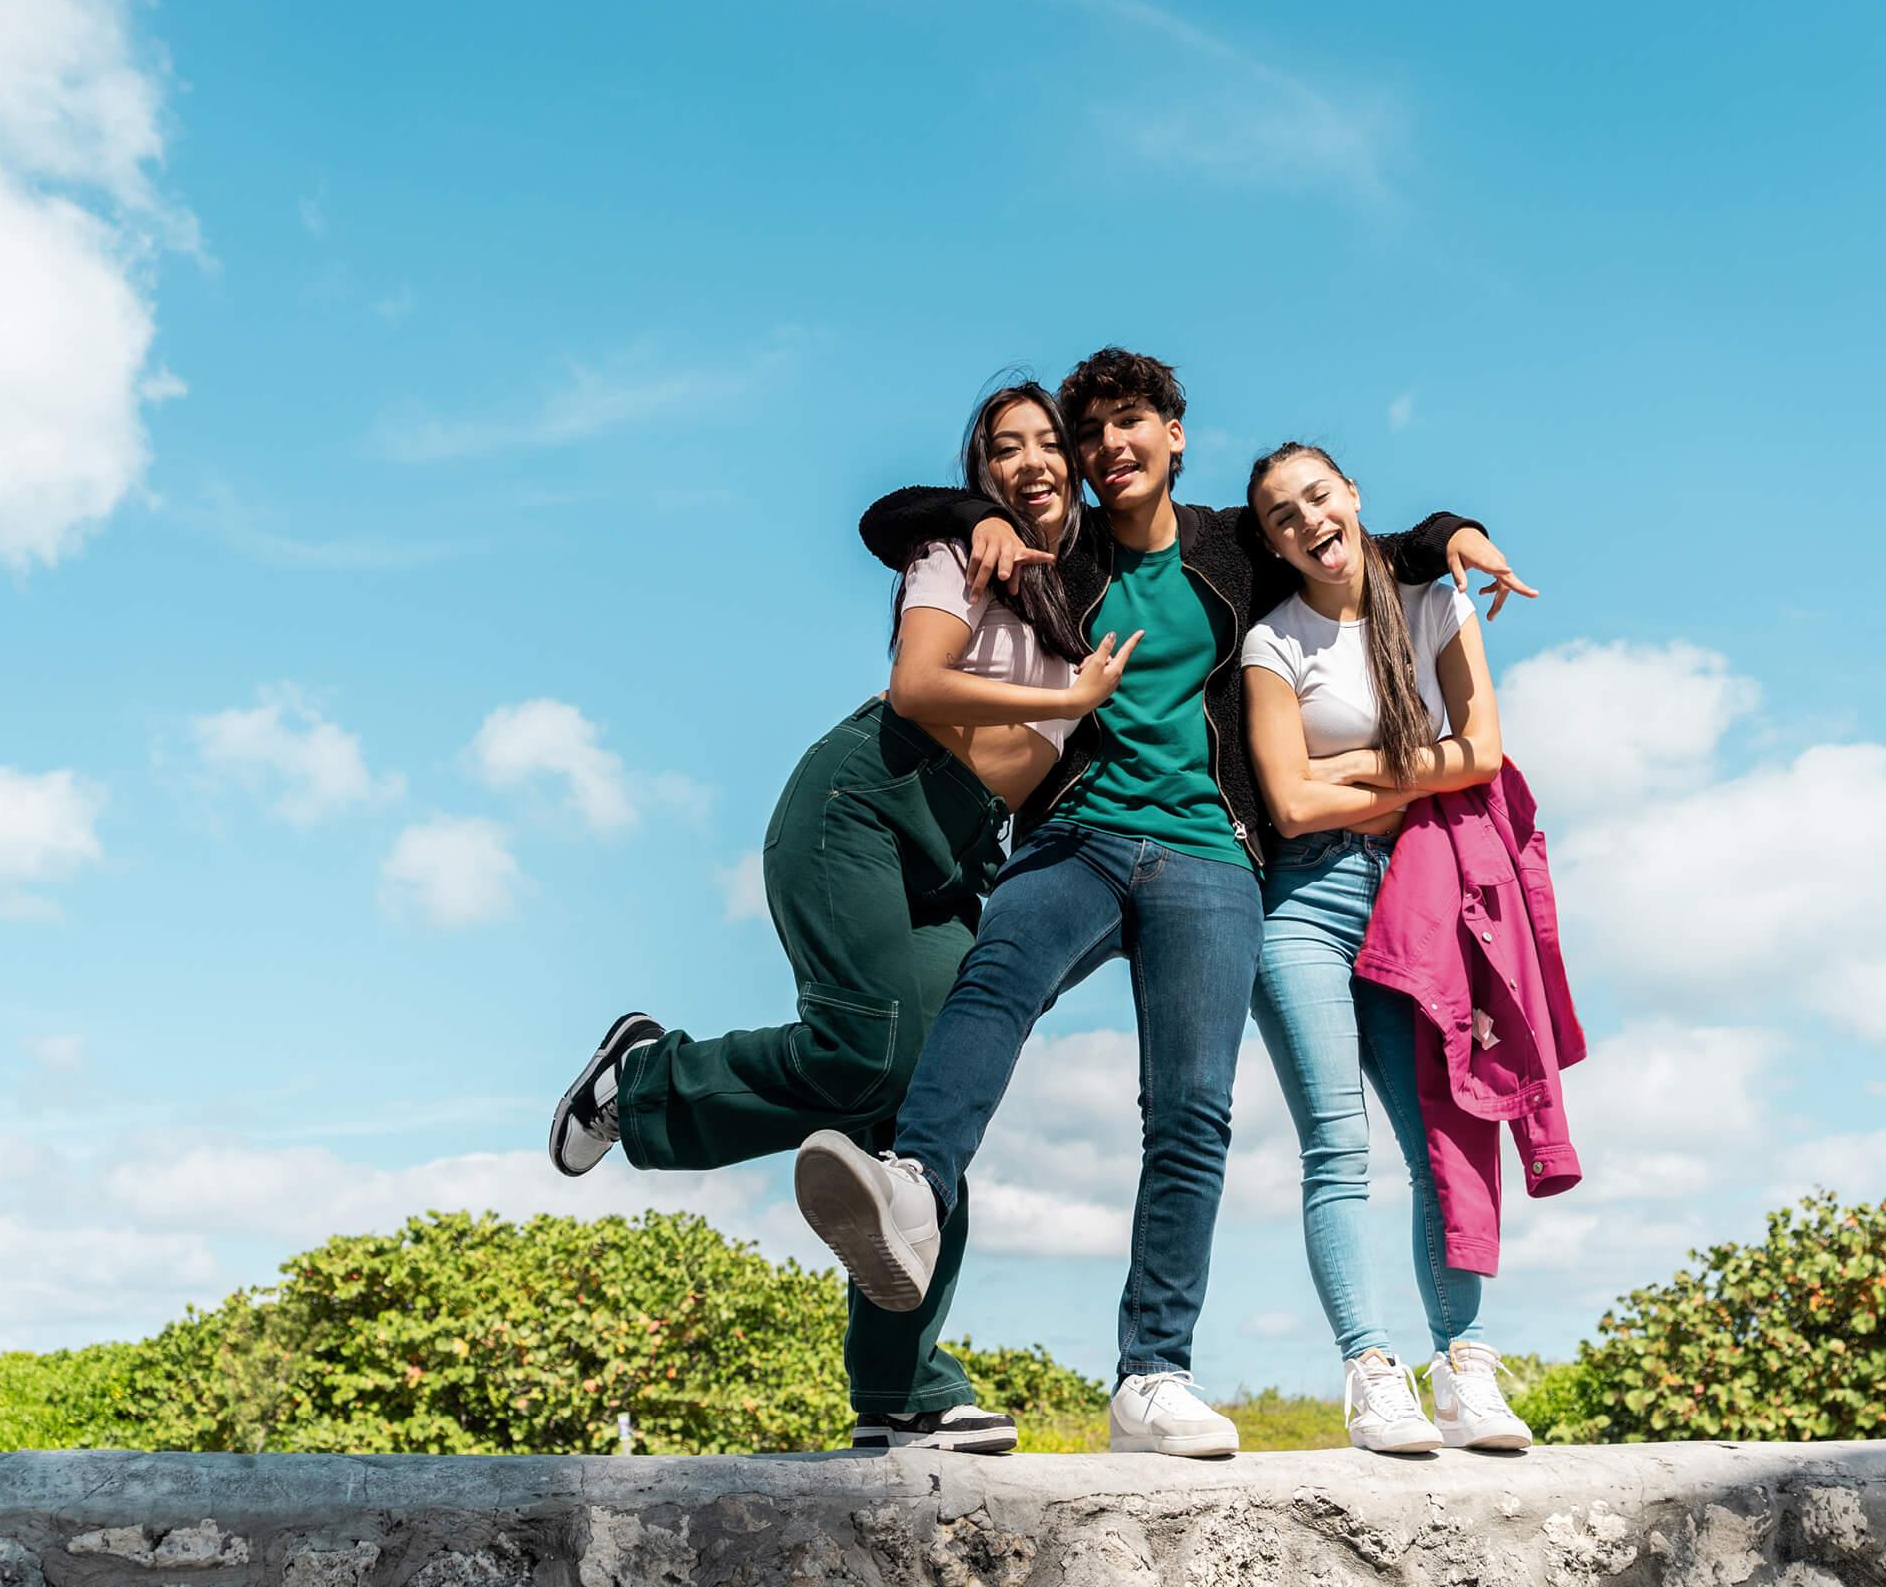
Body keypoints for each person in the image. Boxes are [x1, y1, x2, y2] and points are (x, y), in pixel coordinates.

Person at [792, 347, 1536, 1457]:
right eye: (1088, 437)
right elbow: (888, 518)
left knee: (1189, 1112)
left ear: (1174, 433)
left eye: (1126, 425)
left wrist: (1458, 534)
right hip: (1080, 832)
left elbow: (1373, 548)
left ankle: (1152, 1375)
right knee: (995, 982)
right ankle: (910, 1187)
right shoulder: (1064, 545)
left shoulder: (1236, 546)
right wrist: (969, 511)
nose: (1104, 450)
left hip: (1210, 856)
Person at [544, 379, 1141, 1454]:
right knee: (862, 1043)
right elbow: (917, 681)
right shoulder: (961, 549)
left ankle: (901, 1389)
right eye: (1003, 450)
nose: (1031, 461)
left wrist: (1438, 540)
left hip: (959, 851)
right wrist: (1057, 688)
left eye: (1049, 442)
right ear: (983, 472)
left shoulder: (1084, 584)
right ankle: (641, 1082)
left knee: (926, 1111)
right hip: (862, 799)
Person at [1238, 441, 1535, 1455]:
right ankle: (1372, 1372)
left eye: (1317, 496)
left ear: (1353, 496)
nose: (1306, 521)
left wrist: (1355, 770)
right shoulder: (1271, 645)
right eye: (1281, 516)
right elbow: (1287, 801)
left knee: (1440, 1144)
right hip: (1305, 905)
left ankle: (1466, 1368)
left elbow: (1484, 751)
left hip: (1412, 896)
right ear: (1271, 542)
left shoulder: (1432, 603)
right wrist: (1416, 769)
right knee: (1338, 1144)